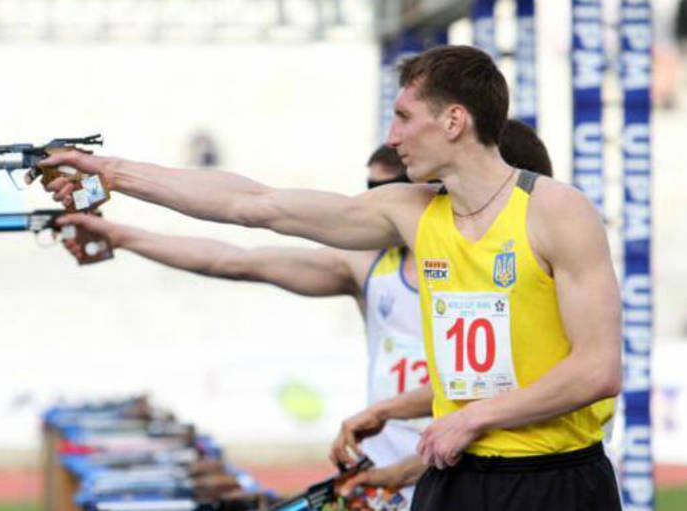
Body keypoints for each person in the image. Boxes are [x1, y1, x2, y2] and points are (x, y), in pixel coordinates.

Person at [35, 45, 622, 510]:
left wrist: (471, 417)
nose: (392, 136)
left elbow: (597, 370)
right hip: (453, 475)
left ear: (454, 120)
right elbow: (253, 204)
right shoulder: (411, 212)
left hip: (554, 479)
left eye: (403, 117)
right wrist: (112, 173)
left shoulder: (555, 210)